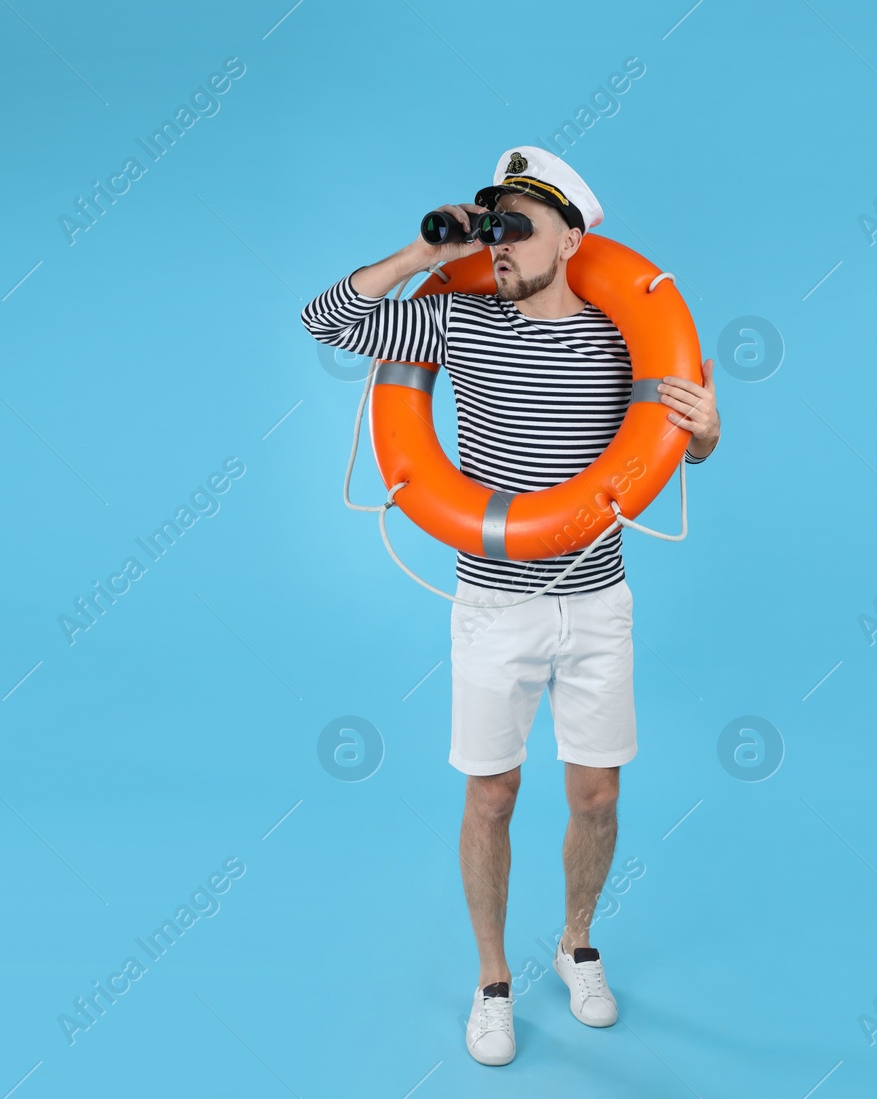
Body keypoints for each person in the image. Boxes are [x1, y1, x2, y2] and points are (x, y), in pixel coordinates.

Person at [299, 146, 720, 1067]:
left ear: (572, 237)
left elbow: (674, 452)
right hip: (496, 605)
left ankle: (576, 943)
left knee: (597, 793)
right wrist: (421, 253)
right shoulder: (453, 321)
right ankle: (493, 980)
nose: (498, 243)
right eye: (489, 223)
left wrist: (705, 439)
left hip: (598, 599)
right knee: (491, 796)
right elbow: (324, 320)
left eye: (517, 226)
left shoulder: (622, 335)